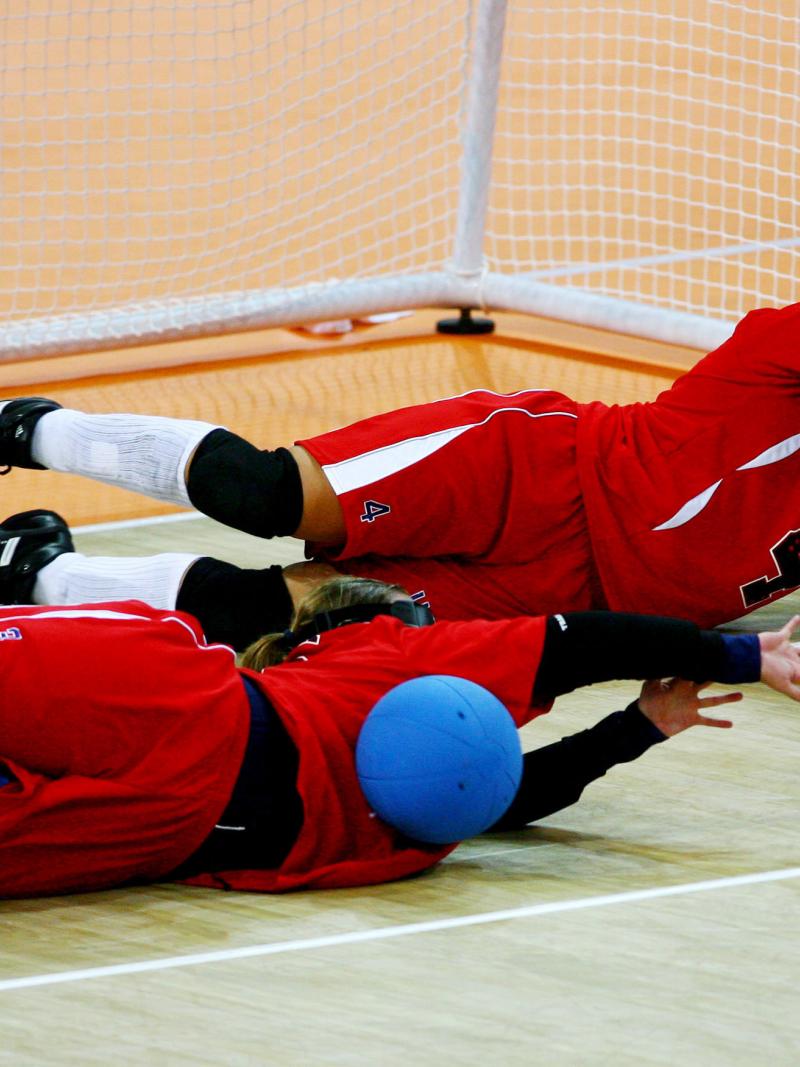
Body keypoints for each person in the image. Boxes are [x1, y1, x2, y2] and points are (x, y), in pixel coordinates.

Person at [5, 301, 800, 646]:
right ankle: (30, 428)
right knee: (269, 495)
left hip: (571, 596)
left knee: (285, 618)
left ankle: (38, 574)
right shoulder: (780, 360)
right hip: (533, 473)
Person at [2, 571, 798, 899]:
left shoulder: (373, 653)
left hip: (188, 711)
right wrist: (633, 730)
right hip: (195, 832)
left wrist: (741, 652)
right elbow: (503, 797)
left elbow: (579, 640)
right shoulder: (410, 794)